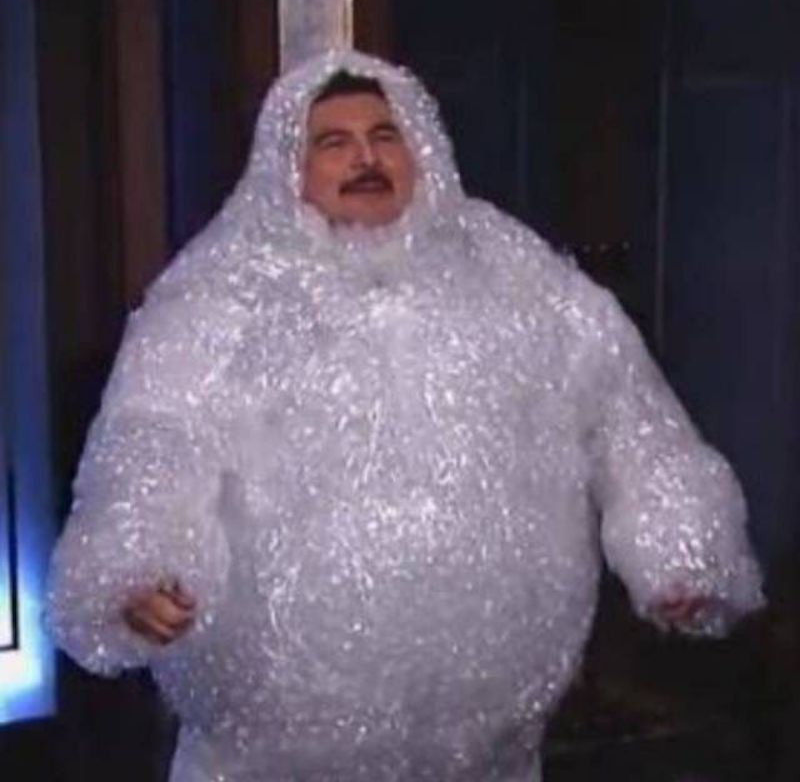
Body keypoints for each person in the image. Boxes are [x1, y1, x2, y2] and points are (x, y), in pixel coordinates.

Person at [47, 51, 764, 782]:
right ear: (288, 167)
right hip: (269, 756)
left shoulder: (515, 275)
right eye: (334, 142)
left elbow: (627, 412)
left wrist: (680, 550)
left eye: (384, 136)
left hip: (484, 752)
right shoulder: (220, 295)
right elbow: (154, 434)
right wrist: (137, 562)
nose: (366, 158)